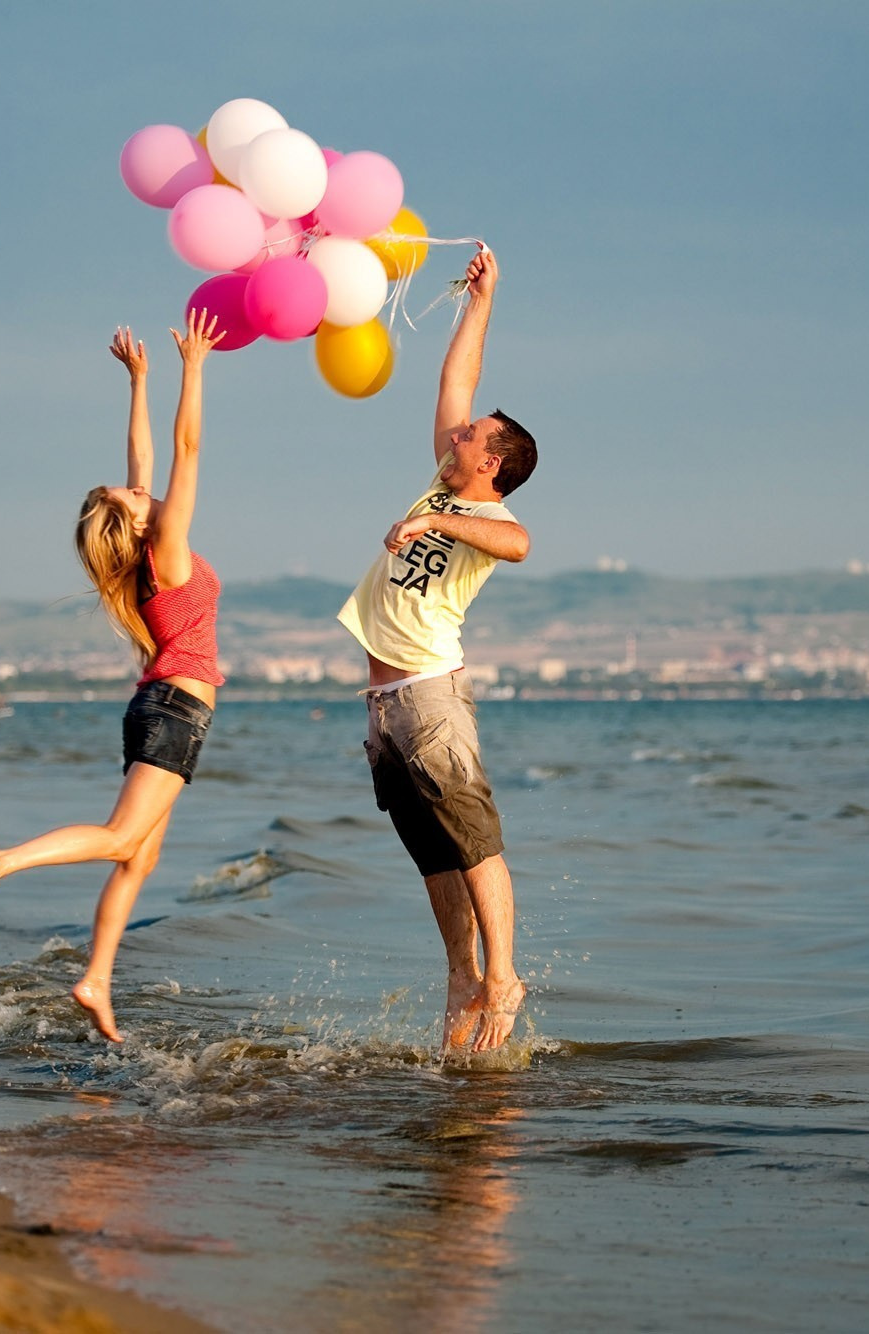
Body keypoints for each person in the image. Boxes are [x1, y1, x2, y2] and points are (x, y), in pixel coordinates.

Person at [0, 309, 227, 1042]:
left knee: (141, 857)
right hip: (175, 710)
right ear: (140, 526)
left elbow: (141, 458)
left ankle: (96, 979)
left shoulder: (146, 551)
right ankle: (3, 858)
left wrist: (140, 380)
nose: (146, 490)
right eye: (136, 496)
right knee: (119, 840)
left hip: (162, 707)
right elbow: (186, 448)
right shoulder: (167, 552)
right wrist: (195, 369)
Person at [337, 247, 538, 1055]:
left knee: (476, 840)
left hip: (429, 698)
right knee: (432, 855)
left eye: (473, 434)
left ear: (490, 462)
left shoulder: (478, 519)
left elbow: (520, 543)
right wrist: (482, 300)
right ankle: (461, 974)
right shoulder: (441, 473)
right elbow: (456, 381)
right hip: (385, 707)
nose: (458, 429)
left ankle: (504, 976)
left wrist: (436, 522)